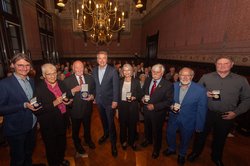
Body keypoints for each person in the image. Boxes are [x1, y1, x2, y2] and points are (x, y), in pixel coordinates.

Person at [187, 56, 250, 166]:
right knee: (200, 135)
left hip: (227, 115)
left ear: (232, 64)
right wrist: (204, 94)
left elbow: (247, 99)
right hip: (206, 113)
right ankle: (195, 153)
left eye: (226, 63)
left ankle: (216, 157)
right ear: (215, 65)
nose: (222, 65)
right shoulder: (206, 77)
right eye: (219, 63)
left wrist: (236, 113)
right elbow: (195, 93)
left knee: (220, 138)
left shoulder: (241, 80)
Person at [0, 53, 39, 166]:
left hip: (31, 126)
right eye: (20, 65)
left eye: (27, 65)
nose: (24, 68)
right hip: (15, 129)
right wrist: (23, 105)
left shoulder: (31, 80)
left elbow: (33, 100)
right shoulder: (4, 84)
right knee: (18, 159)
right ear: (13, 65)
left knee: (28, 154)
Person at [162, 67, 207, 165]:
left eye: (188, 75)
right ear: (178, 75)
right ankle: (171, 148)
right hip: (173, 117)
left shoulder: (200, 90)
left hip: (189, 120)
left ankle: (182, 154)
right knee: (170, 134)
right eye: (183, 75)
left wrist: (199, 126)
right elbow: (167, 101)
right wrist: (170, 106)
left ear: (192, 76)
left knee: (186, 138)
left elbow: (202, 109)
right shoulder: (173, 86)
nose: (185, 77)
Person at [35, 63, 73, 166]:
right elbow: (37, 110)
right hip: (49, 124)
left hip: (62, 120)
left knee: (62, 144)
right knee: (51, 147)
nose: (52, 76)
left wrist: (69, 101)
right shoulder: (38, 88)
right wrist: (54, 103)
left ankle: (60, 160)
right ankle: (54, 163)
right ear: (44, 75)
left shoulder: (61, 83)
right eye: (49, 74)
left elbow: (68, 95)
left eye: (54, 73)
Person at [141, 64, 173, 159]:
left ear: (162, 73)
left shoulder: (168, 84)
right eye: (153, 72)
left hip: (158, 113)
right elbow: (143, 92)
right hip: (146, 110)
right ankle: (148, 140)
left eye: (157, 72)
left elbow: (169, 101)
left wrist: (155, 106)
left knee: (157, 132)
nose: (154, 74)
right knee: (147, 127)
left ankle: (156, 149)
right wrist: (142, 97)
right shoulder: (147, 80)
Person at [64, 60, 96, 156]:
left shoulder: (90, 78)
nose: (79, 69)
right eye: (76, 67)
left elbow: (94, 90)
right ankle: (77, 143)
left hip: (87, 109)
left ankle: (88, 140)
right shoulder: (67, 80)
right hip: (75, 110)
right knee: (76, 130)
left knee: (87, 127)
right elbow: (64, 96)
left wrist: (92, 96)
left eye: (81, 67)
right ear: (73, 69)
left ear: (84, 68)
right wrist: (73, 90)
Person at [92, 51, 119, 157]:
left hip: (110, 102)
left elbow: (116, 87)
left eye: (104, 58)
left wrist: (115, 101)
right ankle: (106, 134)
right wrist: (94, 96)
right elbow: (95, 86)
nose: (102, 60)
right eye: (100, 58)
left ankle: (113, 144)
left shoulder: (112, 71)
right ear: (97, 59)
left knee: (111, 123)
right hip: (99, 102)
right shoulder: (94, 70)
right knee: (103, 120)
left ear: (107, 59)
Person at [118, 64, 142, 151]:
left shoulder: (136, 81)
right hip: (122, 106)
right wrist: (117, 109)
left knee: (132, 125)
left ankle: (132, 141)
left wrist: (135, 97)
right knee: (123, 125)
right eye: (125, 70)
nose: (127, 72)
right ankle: (123, 140)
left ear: (132, 72)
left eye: (129, 70)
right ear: (122, 72)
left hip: (132, 106)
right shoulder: (119, 81)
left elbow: (140, 94)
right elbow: (117, 95)